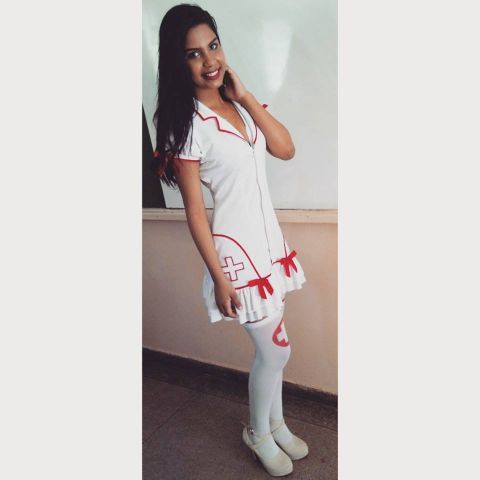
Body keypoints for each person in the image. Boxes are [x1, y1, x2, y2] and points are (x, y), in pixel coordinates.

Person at [152, 4, 308, 476]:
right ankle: (258, 432)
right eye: (194, 54)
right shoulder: (188, 126)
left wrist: (246, 96)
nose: (209, 60)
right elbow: (195, 213)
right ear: (178, 63)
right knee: (276, 350)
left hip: (270, 245)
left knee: (273, 351)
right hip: (236, 254)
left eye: (213, 46)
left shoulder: (238, 105)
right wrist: (218, 277)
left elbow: (285, 148)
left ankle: (275, 423)